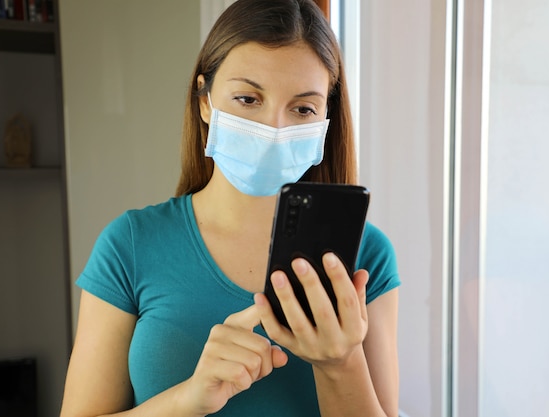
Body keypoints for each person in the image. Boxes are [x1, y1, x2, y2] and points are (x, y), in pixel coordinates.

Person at [59, 0, 400, 416]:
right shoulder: (129, 245)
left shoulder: (366, 256)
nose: (274, 128)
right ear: (205, 102)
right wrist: (190, 397)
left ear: (326, 120)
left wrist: (340, 364)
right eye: (247, 98)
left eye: (303, 108)